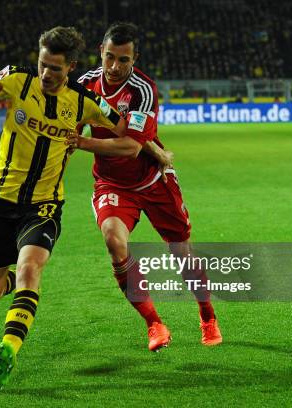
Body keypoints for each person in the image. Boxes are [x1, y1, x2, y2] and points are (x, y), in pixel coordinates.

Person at [0, 26, 155, 390]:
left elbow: (126, 134)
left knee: (29, 267)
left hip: (44, 205)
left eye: (55, 68)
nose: (46, 74)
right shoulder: (18, 80)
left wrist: (152, 149)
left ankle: (9, 347)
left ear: (70, 68)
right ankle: (12, 295)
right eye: (42, 65)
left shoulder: (85, 101)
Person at [71, 22, 222, 350]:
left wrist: (80, 142)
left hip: (153, 180)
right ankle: (154, 324)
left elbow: (130, 147)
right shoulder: (83, 84)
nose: (114, 67)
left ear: (134, 59)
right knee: (114, 241)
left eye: (122, 60)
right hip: (112, 183)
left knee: (182, 253)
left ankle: (207, 314)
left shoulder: (143, 89)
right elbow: (68, 121)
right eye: (109, 57)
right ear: (100, 51)